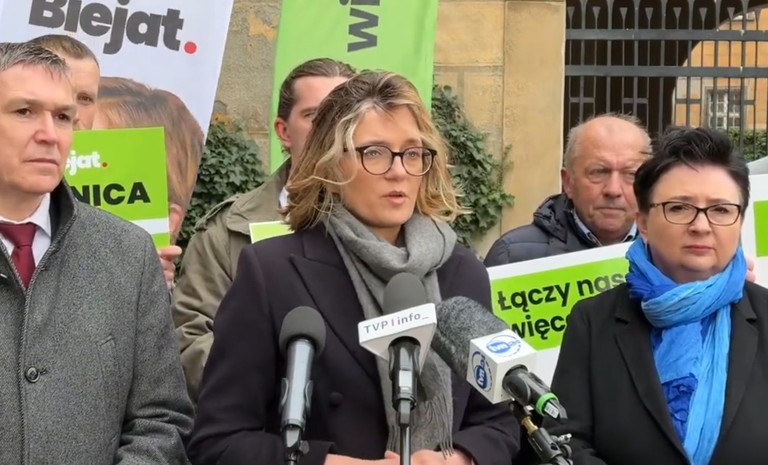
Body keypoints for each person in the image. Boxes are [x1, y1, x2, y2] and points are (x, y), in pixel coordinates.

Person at [187, 71, 520, 465]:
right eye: (375, 152)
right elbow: (219, 441)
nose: (399, 170)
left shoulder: (462, 272)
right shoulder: (271, 272)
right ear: (331, 164)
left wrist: (461, 459)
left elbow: (497, 422)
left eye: (413, 153)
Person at [0, 42, 192, 464]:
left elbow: (162, 419)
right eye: (24, 111)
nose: (49, 134)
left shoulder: (128, 253)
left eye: (63, 116)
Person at [549, 127, 768, 464]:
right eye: (679, 208)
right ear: (644, 222)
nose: (701, 226)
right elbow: (564, 440)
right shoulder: (593, 321)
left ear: (740, 220)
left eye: (721, 210)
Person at [172, 57, 355, 402]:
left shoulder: (393, 226)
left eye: (345, 116)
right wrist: (276, 392)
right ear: (284, 131)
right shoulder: (228, 231)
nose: (332, 130)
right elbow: (191, 338)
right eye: (315, 116)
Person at [29, 34, 181, 288]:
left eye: (85, 99)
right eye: (61, 92)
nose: (73, 112)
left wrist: (150, 279)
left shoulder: (127, 179)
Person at [485, 114, 650, 266]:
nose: (613, 190)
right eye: (598, 172)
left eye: (631, 174)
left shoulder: (663, 253)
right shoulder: (512, 257)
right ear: (568, 182)